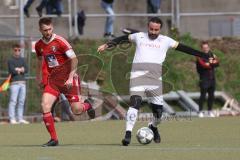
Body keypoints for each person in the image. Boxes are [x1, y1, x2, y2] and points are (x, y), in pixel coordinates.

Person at [97, 17, 210, 146]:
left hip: (154, 80)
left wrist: (202, 54)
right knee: (135, 104)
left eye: (156, 30)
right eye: (151, 29)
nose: (153, 32)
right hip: (137, 77)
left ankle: (153, 127)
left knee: (158, 113)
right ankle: (127, 134)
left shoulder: (166, 41)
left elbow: (183, 48)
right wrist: (106, 45)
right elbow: (122, 39)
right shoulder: (139, 36)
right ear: (148, 27)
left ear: (160, 29)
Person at [35, 17, 95, 147]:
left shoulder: (60, 41)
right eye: (45, 30)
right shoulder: (38, 45)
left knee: (77, 110)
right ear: (40, 30)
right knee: (45, 105)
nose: (48, 32)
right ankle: (54, 139)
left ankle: (87, 105)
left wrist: (70, 77)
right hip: (53, 81)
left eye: (50, 29)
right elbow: (40, 61)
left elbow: (74, 59)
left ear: (52, 28)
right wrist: (39, 76)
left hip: (68, 79)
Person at [196, 41, 219, 118]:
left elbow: (217, 63)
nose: (206, 49)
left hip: (212, 79)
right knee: (203, 96)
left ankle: (210, 111)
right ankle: (200, 111)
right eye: (204, 48)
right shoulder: (199, 56)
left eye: (207, 47)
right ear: (202, 49)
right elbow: (204, 65)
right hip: (204, 79)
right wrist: (212, 64)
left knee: (211, 96)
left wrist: (210, 63)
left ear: (209, 47)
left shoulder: (212, 54)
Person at [7, 44, 29, 124]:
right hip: (14, 83)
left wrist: (18, 69)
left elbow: (26, 69)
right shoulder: (10, 60)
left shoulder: (23, 60)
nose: (17, 52)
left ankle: (20, 118)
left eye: (19, 50)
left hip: (23, 83)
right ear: (13, 50)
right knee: (13, 101)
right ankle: (12, 118)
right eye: (15, 50)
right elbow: (12, 71)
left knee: (21, 101)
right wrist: (20, 69)